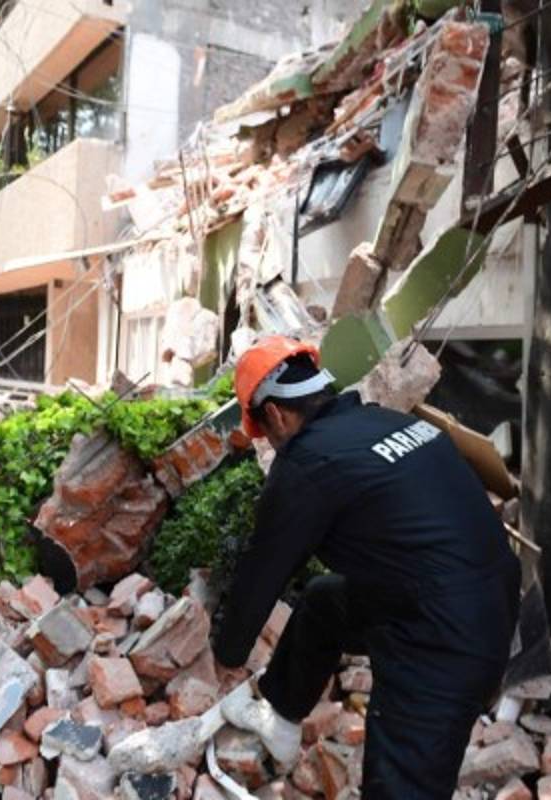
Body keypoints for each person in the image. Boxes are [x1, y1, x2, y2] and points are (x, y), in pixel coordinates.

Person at [211, 335, 521, 799]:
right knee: (324, 602)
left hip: (443, 638)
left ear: (275, 414)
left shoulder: (307, 462)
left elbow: (262, 571)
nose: (271, 443)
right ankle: (282, 719)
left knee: (399, 789)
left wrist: (227, 657)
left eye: (266, 431)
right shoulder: (387, 421)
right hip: (484, 598)